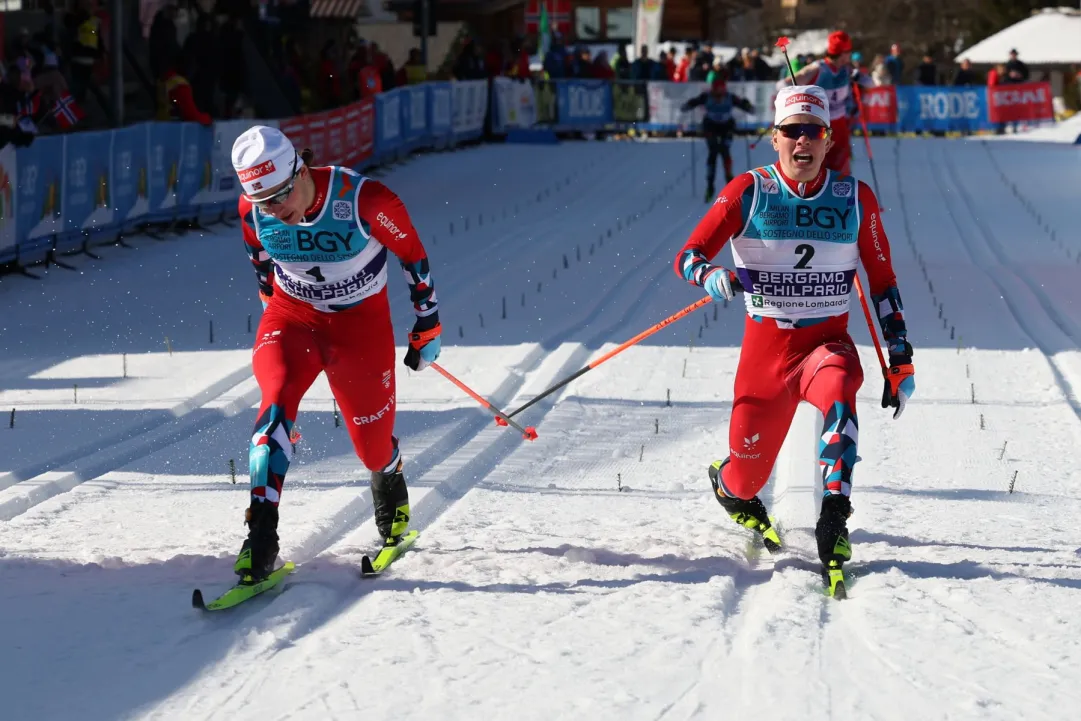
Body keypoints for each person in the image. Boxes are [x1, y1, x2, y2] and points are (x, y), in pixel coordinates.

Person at [673, 86, 915, 597]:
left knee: (842, 384)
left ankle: (834, 517)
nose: (802, 140)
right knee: (745, 478)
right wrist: (710, 276)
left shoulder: (855, 198)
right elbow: (688, 255)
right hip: (764, 362)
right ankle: (732, 486)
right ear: (774, 137)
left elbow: (883, 281)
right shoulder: (748, 190)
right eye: (792, 130)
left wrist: (900, 358)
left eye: (814, 131)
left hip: (825, 346)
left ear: (829, 141)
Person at [230, 126, 443, 583]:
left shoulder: (365, 201)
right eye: (264, 202)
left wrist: (427, 324)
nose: (275, 210)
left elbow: (412, 254)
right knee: (274, 407)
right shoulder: (254, 210)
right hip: (294, 317)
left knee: (371, 447)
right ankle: (261, 538)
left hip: (358, 328)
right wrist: (275, 316)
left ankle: (393, 503)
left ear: (300, 170)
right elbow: (262, 267)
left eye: (281, 196)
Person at [783, 31, 873, 175]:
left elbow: (870, 83)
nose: (849, 55)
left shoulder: (847, 69)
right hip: (819, 126)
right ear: (841, 53)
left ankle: (840, 194)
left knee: (841, 168)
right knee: (818, 166)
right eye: (848, 52)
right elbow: (784, 84)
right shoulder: (818, 68)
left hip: (840, 125)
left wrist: (858, 77)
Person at [681, 77, 755, 201]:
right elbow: (694, 102)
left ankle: (730, 182)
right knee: (713, 152)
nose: (719, 95)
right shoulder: (707, 96)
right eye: (717, 92)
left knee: (725, 151)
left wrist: (747, 106)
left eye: (721, 91)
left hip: (726, 127)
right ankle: (710, 186)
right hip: (711, 126)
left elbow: (743, 104)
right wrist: (688, 105)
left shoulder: (730, 97)